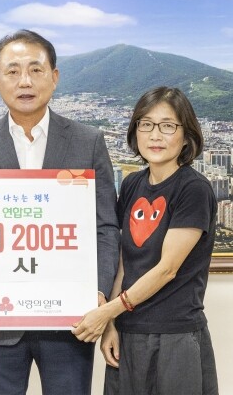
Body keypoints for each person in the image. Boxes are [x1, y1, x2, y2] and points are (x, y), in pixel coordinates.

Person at [0, 29, 120, 395]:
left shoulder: (88, 141)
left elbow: (105, 227)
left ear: (54, 77)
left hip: (70, 320)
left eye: (36, 69)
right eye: (12, 71)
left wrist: (98, 291)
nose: (25, 81)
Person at [72, 87, 219, 395]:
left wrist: (107, 312)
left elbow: (167, 269)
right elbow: (125, 260)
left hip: (174, 334)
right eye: (146, 124)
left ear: (186, 135)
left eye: (168, 126)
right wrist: (112, 324)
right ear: (135, 130)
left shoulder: (194, 189)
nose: (155, 135)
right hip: (129, 331)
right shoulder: (132, 184)